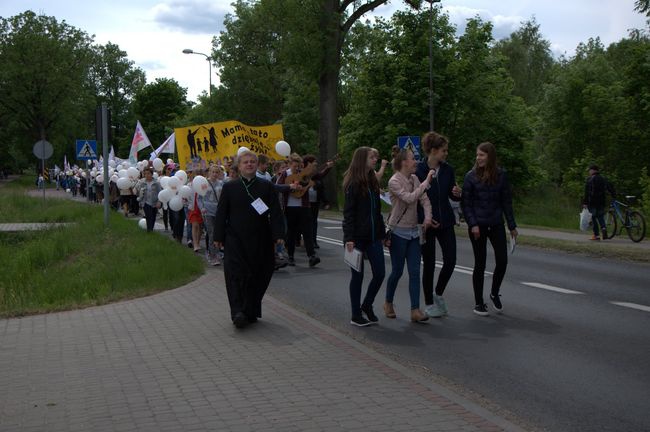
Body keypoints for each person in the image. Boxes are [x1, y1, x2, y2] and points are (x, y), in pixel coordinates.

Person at [213, 150, 286, 328]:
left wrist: (279, 235)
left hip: (260, 238)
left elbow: (275, 212)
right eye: (245, 162)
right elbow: (222, 213)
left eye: (252, 161)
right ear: (239, 165)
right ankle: (237, 312)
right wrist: (218, 236)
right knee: (236, 274)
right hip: (235, 239)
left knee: (259, 274)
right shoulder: (230, 187)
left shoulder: (266, 186)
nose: (249, 164)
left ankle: (251, 309)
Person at [461, 142, 518, 316]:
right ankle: (479, 302)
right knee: (480, 263)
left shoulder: (501, 175)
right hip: (478, 225)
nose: (478, 158)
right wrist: (473, 224)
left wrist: (512, 225)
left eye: (482, 155)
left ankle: (494, 292)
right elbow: (466, 204)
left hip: (496, 223)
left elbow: (506, 202)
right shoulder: (470, 176)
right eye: (477, 155)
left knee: (502, 260)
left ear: (490, 156)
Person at [384, 148, 436, 323]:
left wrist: (428, 218)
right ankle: (388, 302)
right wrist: (427, 180)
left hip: (414, 232)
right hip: (398, 232)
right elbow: (410, 198)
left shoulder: (414, 178)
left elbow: (425, 200)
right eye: (413, 159)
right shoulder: (394, 181)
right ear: (403, 162)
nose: (416, 162)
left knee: (415, 271)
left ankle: (415, 310)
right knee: (397, 271)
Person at [415, 132, 462, 318]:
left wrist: (457, 193)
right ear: (433, 151)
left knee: (451, 260)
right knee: (429, 264)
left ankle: (438, 294)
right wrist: (424, 217)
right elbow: (415, 198)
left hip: (446, 222)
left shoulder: (448, 169)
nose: (446, 154)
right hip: (426, 224)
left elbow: (451, 195)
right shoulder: (418, 170)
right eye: (443, 151)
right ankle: (428, 303)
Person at [342, 146, 386, 327]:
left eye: (375, 157)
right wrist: (349, 238)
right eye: (371, 157)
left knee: (380, 273)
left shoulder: (372, 181)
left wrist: (383, 233)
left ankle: (367, 305)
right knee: (357, 276)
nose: (375, 160)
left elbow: (377, 212)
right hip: (357, 238)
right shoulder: (353, 183)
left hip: (374, 237)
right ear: (362, 160)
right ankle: (355, 315)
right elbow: (349, 214)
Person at [277, 153, 320, 267]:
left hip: (304, 206)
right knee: (291, 232)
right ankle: (290, 256)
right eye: (295, 166)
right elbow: (278, 187)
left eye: (299, 166)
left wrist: (305, 186)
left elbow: (312, 179)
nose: (297, 168)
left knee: (307, 231)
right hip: (290, 207)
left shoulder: (304, 173)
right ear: (290, 164)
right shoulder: (285, 174)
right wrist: (291, 188)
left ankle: (312, 256)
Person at [583, 164, 616, 241]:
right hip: (601, 201)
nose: (589, 172)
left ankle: (596, 235)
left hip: (592, 202)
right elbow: (610, 187)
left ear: (593, 170)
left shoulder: (590, 179)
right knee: (600, 216)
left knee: (593, 218)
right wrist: (614, 195)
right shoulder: (603, 178)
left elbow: (587, 192)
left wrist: (585, 202)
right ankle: (604, 229)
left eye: (590, 170)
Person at [202, 164, 224, 265]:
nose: (215, 174)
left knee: (219, 233)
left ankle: (217, 252)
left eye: (217, 172)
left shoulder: (221, 183)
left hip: (219, 211)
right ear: (209, 172)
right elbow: (199, 197)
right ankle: (212, 256)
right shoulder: (204, 183)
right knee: (211, 233)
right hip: (208, 212)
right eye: (213, 172)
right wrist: (202, 207)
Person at [137, 167, 162, 232]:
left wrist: (159, 201)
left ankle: (151, 229)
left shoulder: (156, 183)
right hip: (146, 202)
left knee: (153, 217)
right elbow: (139, 192)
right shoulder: (142, 183)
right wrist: (140, 198)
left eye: (148, 173)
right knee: (148, 216)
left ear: (152, 174)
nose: (147, 175)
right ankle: (149, 230)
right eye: (145, 174)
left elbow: (160, 193)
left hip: (154, 203)